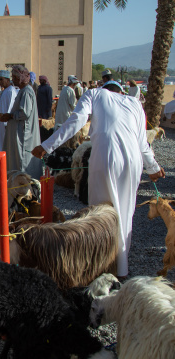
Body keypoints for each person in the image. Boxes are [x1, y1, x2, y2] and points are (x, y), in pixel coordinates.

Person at [31, 80, 165, 279]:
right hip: (133, 160)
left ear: (105, 89)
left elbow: (76, 121)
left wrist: (46, 146)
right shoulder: (134, 103)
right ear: (120, 92)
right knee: (124, 213)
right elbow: (142, 142)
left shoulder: (95, 94)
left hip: (105, 156)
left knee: (99, 212)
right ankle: (121, 269)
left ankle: (99, 267)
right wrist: (153, 168)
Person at [0, 65, 42, 179]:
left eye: (14, 77)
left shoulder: (26, 91)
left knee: (22, 160)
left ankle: (24, 182)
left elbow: (24, 113)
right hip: (18, 132)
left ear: (20, 78)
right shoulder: (23, 91)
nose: (13, 80)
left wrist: (10, 115)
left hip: (23, 135)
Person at [0, 70, 17, 151]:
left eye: (1, 79)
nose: (0, 82)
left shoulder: (11, 91)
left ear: (8, 80)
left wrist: (6, 125)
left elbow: (10, 110)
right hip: (1, 125)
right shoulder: (5, 91)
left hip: (6, 126)